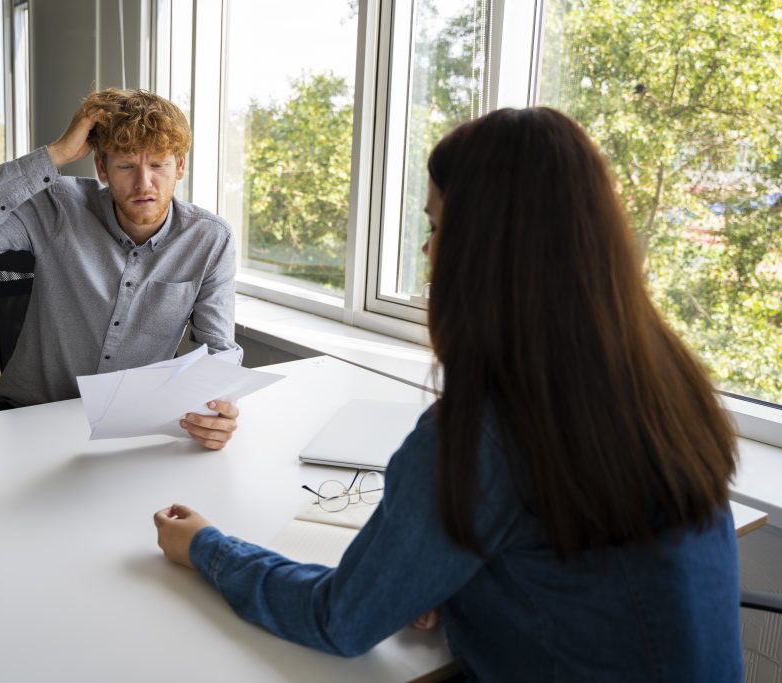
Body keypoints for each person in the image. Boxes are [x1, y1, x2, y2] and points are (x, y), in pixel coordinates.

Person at [153, 107, 744, 680]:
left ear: (487, 250)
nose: (427, 251)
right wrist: (454, 580)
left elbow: (338, 620)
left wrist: (206, 547)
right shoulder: (666, 381)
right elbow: (574, 574)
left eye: (436, 226)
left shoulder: (486, 428)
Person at [0, 89, 241, 450]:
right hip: (31, 419)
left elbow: (218, 350)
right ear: (102, 168)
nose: (143, 183)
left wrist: (220, 410)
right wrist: (55, 155)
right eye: (125, 165)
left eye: (158, 164)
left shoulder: (210, 239)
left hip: (130, 430)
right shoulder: (59, 207)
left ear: (180, 166)